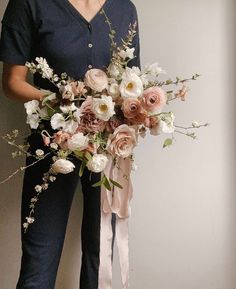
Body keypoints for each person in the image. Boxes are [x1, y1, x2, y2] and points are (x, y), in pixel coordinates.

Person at [0, 0, 141, 288]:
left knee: (99, 255)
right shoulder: (29, 4)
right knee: (39, 257)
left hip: (108, 147)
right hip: (53, 145)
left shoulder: (124, 9)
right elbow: (12, 81)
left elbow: (133, 82)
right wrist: (57, 103)